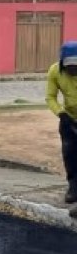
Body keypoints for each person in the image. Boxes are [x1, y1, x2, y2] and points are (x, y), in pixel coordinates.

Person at [45, 40, 77, 204]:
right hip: (69, 119)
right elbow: (50, 97)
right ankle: (73, 187)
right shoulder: (55, 71)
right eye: (69, 65)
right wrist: (61, 113)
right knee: (70, 154)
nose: (73, 69)